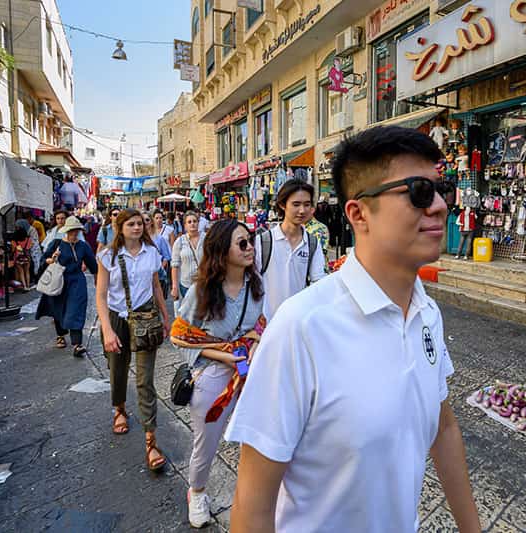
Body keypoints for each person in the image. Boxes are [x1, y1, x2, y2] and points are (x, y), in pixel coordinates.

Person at [226, 126, 480, 532]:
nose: (438, 206)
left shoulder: (427, 312)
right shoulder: (301, 328)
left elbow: (443, 425)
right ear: (358, 213)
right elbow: (253, 503)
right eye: (418, 191)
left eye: (440, 189)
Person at [171, 219, 265, 528]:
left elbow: (258, 324)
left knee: (256, 439)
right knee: (207, 442)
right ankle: (196, 493)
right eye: (242, 243)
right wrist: (223, 354)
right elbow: (180, 335)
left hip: (249, 373)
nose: (250, 247)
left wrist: (252, 343)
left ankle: (255, 497)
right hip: (213, 375)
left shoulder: (256, 285)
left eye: (250, 240)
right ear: (222, 251)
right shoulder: (202, 291)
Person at [96, 209, 171, 470]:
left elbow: (156, 287)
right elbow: (101, 295)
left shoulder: (152, 253)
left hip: (146, 319)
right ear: (120, 227)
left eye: (140, 223)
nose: (137, 228)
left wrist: (165, 317)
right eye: (131, 224)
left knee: (145, 380)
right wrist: (107, 329)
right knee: (117, 370)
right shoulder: (108, 256)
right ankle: (119, 408)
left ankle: (151, 441)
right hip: (117, 318)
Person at [255, 179, 326, 320]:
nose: (302, 210)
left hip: (297, 323)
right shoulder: (263, 242)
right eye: (296, 204)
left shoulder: (312, 243)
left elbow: (318, 282)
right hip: (266, 324)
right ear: (282, 205)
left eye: (307, 205)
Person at [35, 216, 98, 357]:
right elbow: (43, 259)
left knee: (76, 309)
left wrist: (97, 281)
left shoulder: (83, 246)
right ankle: (60, 335)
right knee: (58, 308)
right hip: (59, 280)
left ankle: (77, 344)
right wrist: (51, 259)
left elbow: (93, 265)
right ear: (66, 231)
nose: (74, 233)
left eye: (76, 230)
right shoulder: (56, 244)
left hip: (77, 281)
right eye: (72, 230)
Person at [171, 211, 204, 300]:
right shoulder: (180, 242)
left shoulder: (207, 239)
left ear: (198, 223)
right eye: (189, 222)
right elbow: (175, 265)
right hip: (186, 285)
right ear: (185, 225)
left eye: (194, 221)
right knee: (189, 312)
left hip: (205, 283)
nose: (192, 224)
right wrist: (174, 286)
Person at [12, 224, 33, 291]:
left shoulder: (14, 241)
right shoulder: (28, 240)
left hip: (18, 258)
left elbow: (13, 250)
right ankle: (28, 285)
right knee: (27, 272)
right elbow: (29, 248)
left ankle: (24, 287)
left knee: (21, 272)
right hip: (26, 257)